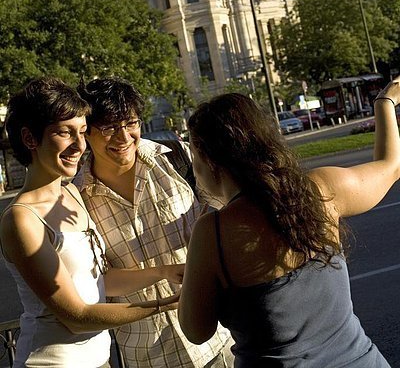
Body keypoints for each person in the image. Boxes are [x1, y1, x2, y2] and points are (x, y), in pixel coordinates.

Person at [178, 79, 400, 367]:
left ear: (210, 161)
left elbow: (196, 330)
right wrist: (384, 102)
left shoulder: (214, 232)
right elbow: (391, 166)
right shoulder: (321, 189)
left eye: (194, 157)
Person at [0, 77, 182, 368]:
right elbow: (77, 317)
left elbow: (98, 282)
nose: (79, 145)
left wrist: (163, 272)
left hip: (99, 359)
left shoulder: (72, 192)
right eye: (65, 132)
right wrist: (167, 304)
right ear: (30, 138)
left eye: (83, 132)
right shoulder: (22, 218)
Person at [76, 77, 233, 368]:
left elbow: (229, 218)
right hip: (148, 354)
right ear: (86, 132)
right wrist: (160, 272)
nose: (123, 138)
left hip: (219, 341)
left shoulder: (180, 159)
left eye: (130, 123)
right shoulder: (77, 198)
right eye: (109, 127)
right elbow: (98, 281)